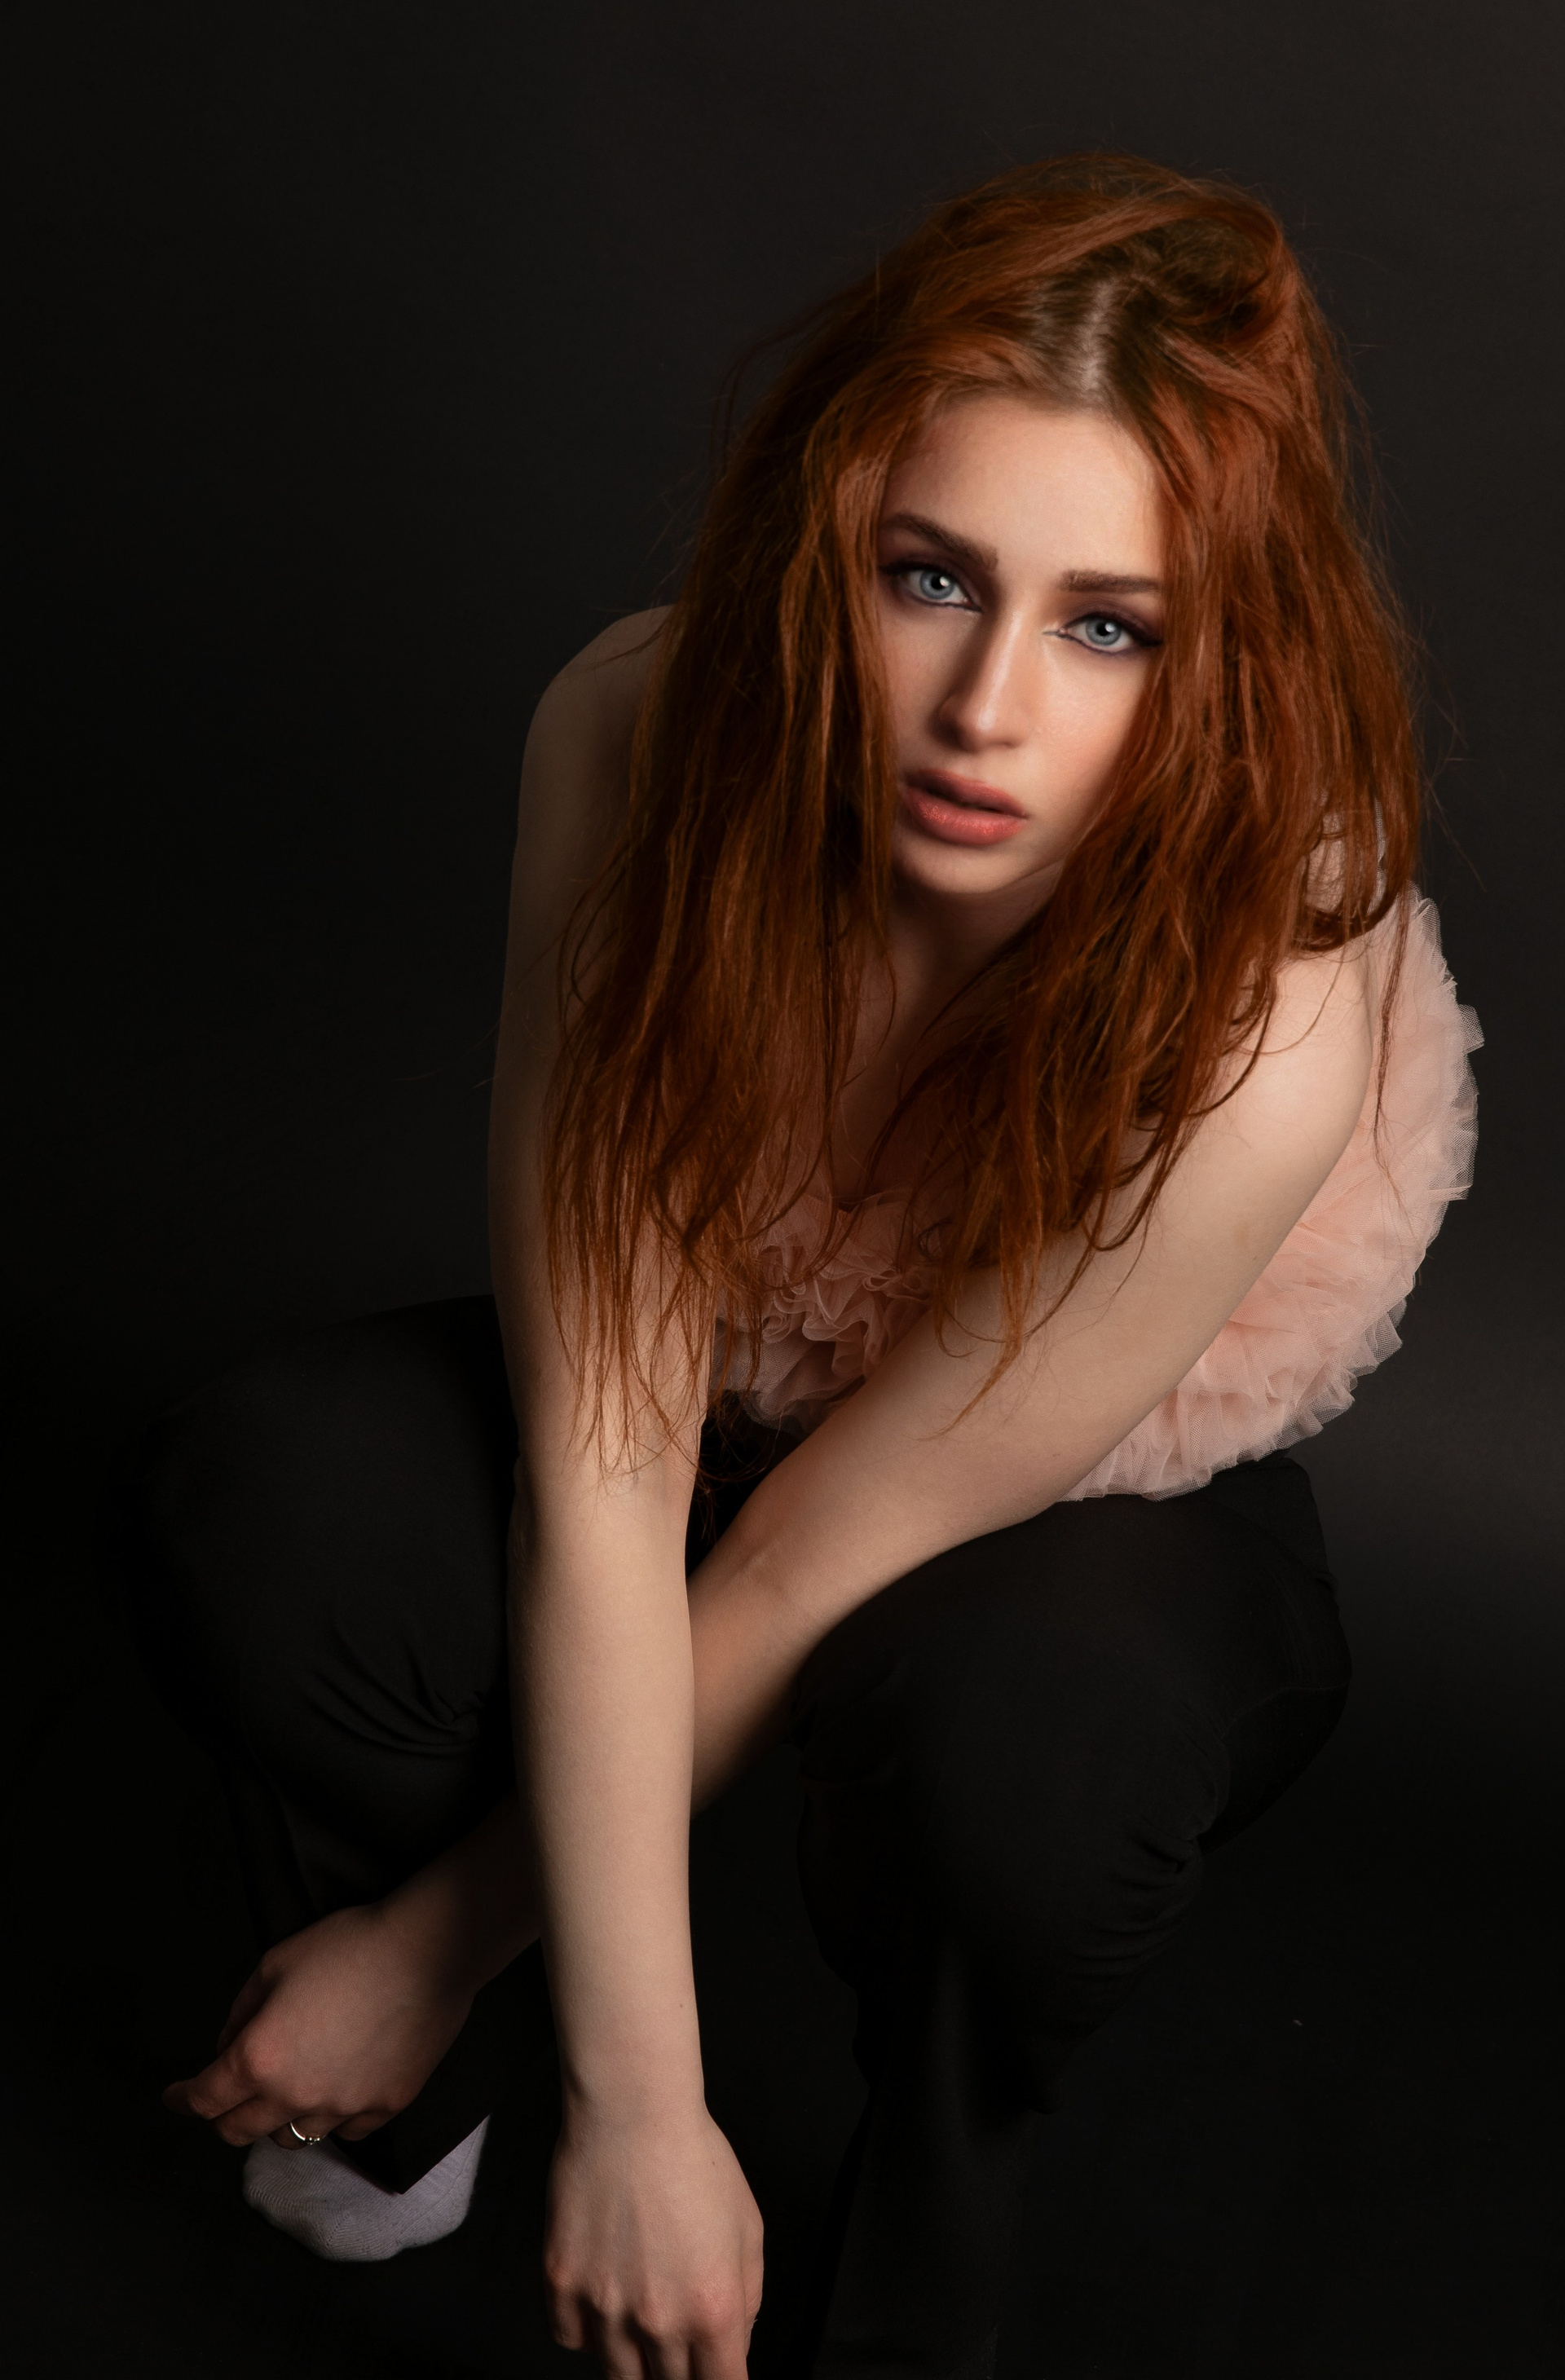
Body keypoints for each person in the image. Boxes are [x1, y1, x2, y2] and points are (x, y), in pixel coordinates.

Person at [127, 155, 1479, 2379]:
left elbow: (795, 1564)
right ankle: (424, 2106)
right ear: (817, 542)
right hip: (750, 1372)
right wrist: (592, 2077)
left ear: (1220, 655)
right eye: (928, 578)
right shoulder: (637, 733)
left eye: (1111, 626)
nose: (985, 710)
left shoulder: (1271, 1018)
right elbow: (610, 1465)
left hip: (1048, 1461)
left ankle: (911, 2263)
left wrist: (481, 1979)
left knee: (1032, 1769)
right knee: (268, 1497)